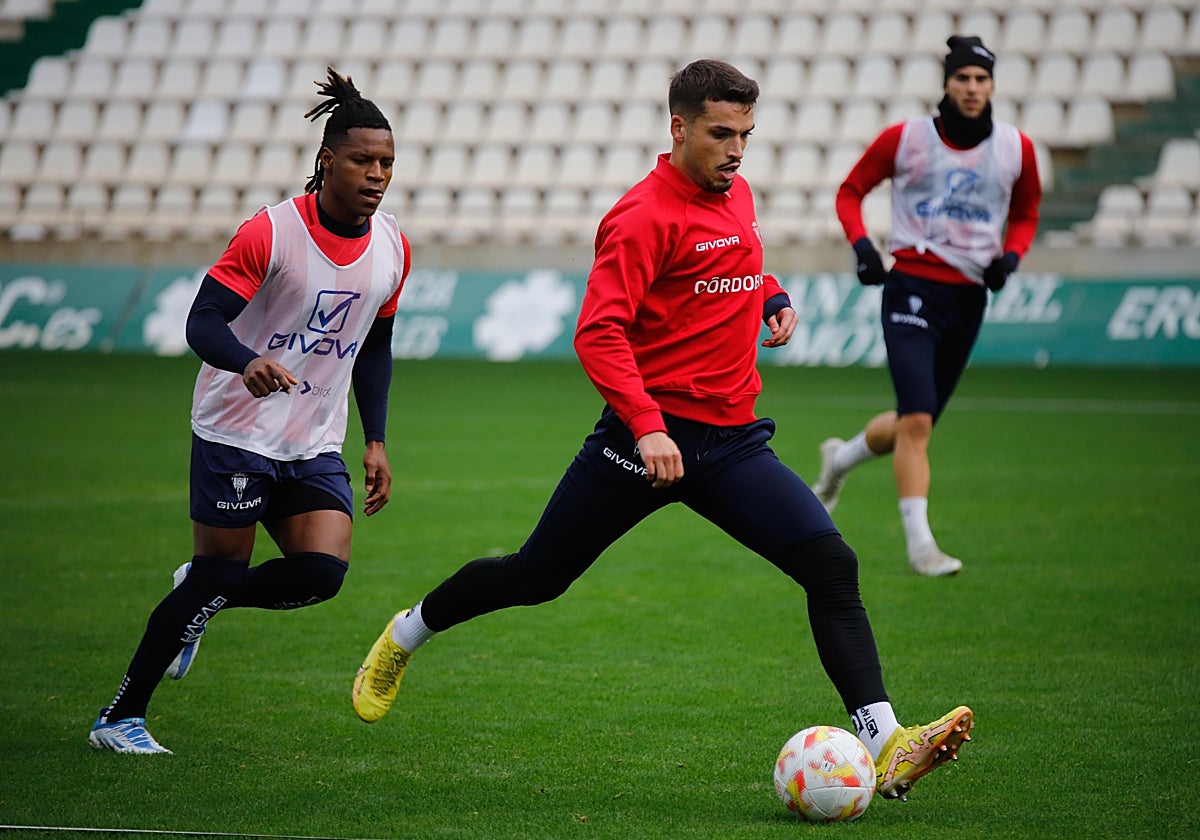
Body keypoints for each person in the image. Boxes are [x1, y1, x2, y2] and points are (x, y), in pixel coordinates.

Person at [351, 59, 972, 801]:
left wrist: (770, 295)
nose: (737, 148)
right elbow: (599, 334)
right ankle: (406, 634)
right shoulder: (641, 217)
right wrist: (647, 427)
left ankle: (886, 740)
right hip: (641, 443)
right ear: (679, 128)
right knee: (537, 577)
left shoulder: (736, 192)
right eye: (721, 133)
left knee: (830, 564)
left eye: (746, 132)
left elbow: (734, 263)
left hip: (732, 442)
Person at [89, 68, 411, 754]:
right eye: (362, 160)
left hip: (313, 437)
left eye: (387, 162)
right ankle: (120, 719)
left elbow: (375, 346)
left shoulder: (393, 247)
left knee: (320, 574)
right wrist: (247, 361)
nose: (377, 174)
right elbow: (203, 323)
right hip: (237, 429)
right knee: (219, 573)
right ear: (327, 160)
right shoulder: (270, 234)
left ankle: (201, 599)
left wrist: (376, 437)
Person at [813, 36, 1042, 577]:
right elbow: (850, 191)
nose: (971, 88)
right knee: (917, 420)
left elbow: (1028, 212)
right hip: (911, 285)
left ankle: (838, 462)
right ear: (946, 82)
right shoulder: (907, 139)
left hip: (968, 297)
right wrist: (864, 247)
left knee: (915, 426)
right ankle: (921, 546)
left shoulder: (1016, 149)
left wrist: (1011, 257)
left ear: (991, 86)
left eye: (981, 79)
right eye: (962, 78)